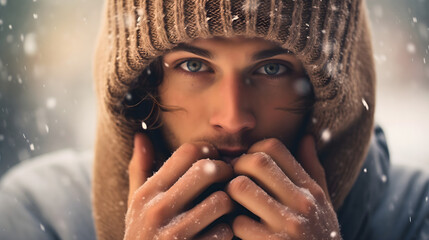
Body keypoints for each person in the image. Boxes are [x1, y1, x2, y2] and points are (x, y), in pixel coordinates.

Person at [0, 0, 428, 239]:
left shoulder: (413, 216)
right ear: (141, 88)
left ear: (329, 95)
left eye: (272, 69)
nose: (233, 118)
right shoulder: (39, 217)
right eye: (192, 65)